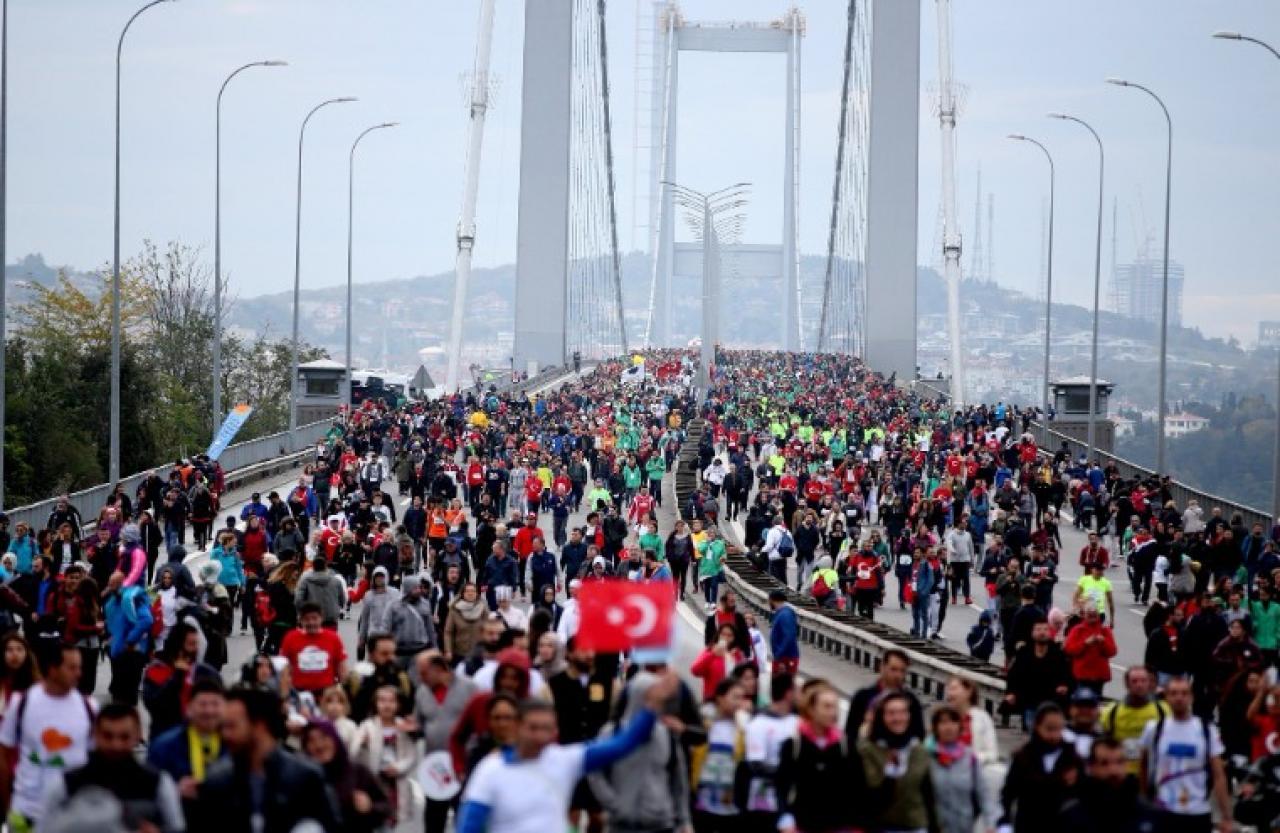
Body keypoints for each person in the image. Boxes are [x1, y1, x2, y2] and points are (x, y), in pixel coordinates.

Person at [454, 672, 679, 833]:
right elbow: (470, 825)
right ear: (518, 726)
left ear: (555, 730)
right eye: (533, 728)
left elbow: (622, 745)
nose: (540, 736)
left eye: (546, 728)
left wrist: (651, 709)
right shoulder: (491, 770)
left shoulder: (564, 760)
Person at [191, 687, 340, 833]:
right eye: (222, 727)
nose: (225, 734)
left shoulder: (305, 778)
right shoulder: (217, 781)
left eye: (232, 726)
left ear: (259, 726)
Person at [43, 703, 186, 833]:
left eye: (124, 737)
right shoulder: (66, 783)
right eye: (108, 736)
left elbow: (176, 827)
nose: (116, 745)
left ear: (137, 736)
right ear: (95, 734)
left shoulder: (158, 784)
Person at [0, 644, 96, 831]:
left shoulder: (89, 707)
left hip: (72, 814)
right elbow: (3, 755)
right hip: (26, 813)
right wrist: (8, 803)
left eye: (79, 667)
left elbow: (97, 760)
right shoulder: (22, 703)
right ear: (53, 669)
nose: (79, 674)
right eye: (71, 668)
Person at [586, 672, 691, 833]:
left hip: (661, 822)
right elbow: (594, 772)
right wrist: (614, 804)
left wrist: (684, 820)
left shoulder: (666, 734)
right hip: (621, 824)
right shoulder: (612, 732)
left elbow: (678, 779)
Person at [1138, 676, 1232, 833]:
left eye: (1184, 693)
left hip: (1197, 812)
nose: (1179, 698)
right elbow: (1144, 767)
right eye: (1174, 693)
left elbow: (1219, 775)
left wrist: (1226, 816)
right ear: (1166, 697)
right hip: (1163, 810)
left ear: (1191, 697)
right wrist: (1143, 803)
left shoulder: (1206, 730)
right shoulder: (1154, 729)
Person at [774, 680, 865, 833]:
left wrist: (856, 825)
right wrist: (785, 819)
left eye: (834, 707)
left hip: (838, 826)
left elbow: (857, 787)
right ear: (811, 709)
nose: (832, 713)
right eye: (826, 707)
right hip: (802, 824)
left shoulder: (845, 746)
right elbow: (782, 786)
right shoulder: (794, 745)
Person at [413, 650, 478, 833]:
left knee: (463, 812)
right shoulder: (422, 692)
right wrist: (413, 729)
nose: (421, 678)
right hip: (435, 765)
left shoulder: (469, 688)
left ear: (439, 669)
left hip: (463, 763)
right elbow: (419, 722)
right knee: (434, 815)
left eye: (424, 673)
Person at [857, 691, 936, 832]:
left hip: (915, 825)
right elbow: (867, 795)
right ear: (882, 716)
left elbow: (929, 795)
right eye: (891, 713)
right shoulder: (867, 750)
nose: (898, 718)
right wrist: (891, 774)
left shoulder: (918, 750)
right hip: (881, 826)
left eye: (903, 712)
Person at [147, 677, 227, 815]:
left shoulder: (238, 744)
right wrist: (174, 793)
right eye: (202, 704)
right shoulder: (163, 747)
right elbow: (148, 794)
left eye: (215, 704)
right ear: (189, 708)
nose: (209, 711)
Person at [998, 703, 1082, 833]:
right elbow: (1008, 794)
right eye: (1049, 729)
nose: (1054, 735)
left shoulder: (1072, 756)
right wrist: (1004, 824)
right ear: (1037, 726)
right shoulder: (1023, 757)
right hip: (1029, 824)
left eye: (1058, 729)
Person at [349, 685, 423, 831]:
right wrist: (362, 744)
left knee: (392, 816)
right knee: (375, 815)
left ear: (398, 705)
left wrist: (399, 767)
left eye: (391, 701)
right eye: (382, 701)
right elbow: (353, 753)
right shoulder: (367, 726)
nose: (386, 705)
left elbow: (411, 755)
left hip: (395, 782)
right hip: (374, 780)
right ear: (376, 704)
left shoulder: (402, 726)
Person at [1058, 736, 1168, 833]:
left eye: (1119, 762)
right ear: (1091, 767)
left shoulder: (1148, 813)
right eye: (1104, 763)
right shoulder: (1072, 815)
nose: (1113, 770)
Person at [301, 720, 392, 833]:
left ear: (335, 738)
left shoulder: (358, 772)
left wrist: (370, 807)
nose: (319, 745)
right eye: (311, 740)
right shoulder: (303, 779)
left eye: (324, 737)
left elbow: (386, 806)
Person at [142, 623, 220, 742]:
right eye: (191, 644)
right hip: (166, 738)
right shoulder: (157, 670)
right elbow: (154, 703)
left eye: (196, 644)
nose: (196, 649)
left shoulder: (204, 672)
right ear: (178, 646)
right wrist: (177, 677)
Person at [927, 704, 998, 833]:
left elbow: (983, 794)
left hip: (963, 826)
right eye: (943, 722)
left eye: (953, 722)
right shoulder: (926, 756)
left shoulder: (969, 758)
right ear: (935, 727)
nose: (949, 727)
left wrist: (991, 823)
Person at [689, 678, 746, 833]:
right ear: (720, 698)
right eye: (735, 697)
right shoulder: (703, 724)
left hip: (730, 805)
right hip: (701, 803)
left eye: (741, 698)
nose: (739, 702)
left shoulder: (743, 729)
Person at [1099, 666, 1168, 777]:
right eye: (1134, 681)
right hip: (1120, 774)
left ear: (1149, 683)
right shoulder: (1111, 712)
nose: (1139, 685)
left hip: (1151, 773)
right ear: (1127, 684)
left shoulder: (1164, 711)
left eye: (1143, 681)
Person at [844, 648, 925, 741]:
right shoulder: (863, 697)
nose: (898, 675)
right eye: (893, 669)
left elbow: (918, 736)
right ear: (882, 667)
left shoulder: (911, 701)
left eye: (902, 671)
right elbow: (850, 733)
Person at [279, 602, 348, 696]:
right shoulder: (290, 638)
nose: (311, 622)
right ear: (301, 621)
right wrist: (284, 696)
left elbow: (342, 668)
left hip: (326, 694)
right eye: (307, 619)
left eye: (314, 618)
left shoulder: (333, 638)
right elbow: (284, 670)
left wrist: (345, 693)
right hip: (299, 693)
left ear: (321, 618)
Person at [1062, 606, 1118, 696]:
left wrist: (1103, 642)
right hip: (1082, 675)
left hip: (1099, 675)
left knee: (1096, 700)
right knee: (1082, 700)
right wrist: (1085, 643)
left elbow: (1112, 651)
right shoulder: (1078, 630)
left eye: (1094, 614)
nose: (1092, 616)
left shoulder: (1105, 631)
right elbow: (1069, 649)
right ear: (1085, 616)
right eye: (1089, 614)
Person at [294, 556, 345, 628]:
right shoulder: (336, 581)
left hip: (311, 617)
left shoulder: (305, 581)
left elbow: (298, 599)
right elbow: (342, 599)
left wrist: (302, 612)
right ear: (325, 566)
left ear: (313, 566)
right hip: (330, 618)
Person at [767, 589, 799, 676]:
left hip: (786, 657)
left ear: (772, 600)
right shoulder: (781, 613)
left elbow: (789, 636)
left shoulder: (785, 614)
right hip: (783, 656)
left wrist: (779, 654)